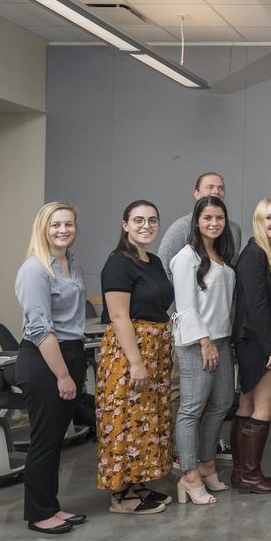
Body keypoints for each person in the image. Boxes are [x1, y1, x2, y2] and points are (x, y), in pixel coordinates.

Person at [15, 202, 89, 534]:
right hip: (44, 359)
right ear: (43, 228)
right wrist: (62, 375)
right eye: (55, 225)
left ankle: (52, 506)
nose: (63, 230)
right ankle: (38, 512)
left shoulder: (72, 262)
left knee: (57, 438)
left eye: (69, 224)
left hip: (72, 353)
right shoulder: (35, 269)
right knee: (44, 439)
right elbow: (39, 329)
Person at [97, 200, 176, 514]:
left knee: (146, 420)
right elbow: (118, 316)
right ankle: (121, 494)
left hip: (155, 350)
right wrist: (137, 362)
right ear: (125, 225)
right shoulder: (118, 262)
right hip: (128, 352)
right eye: (139, 220)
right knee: (125, 418)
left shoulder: (153, 261)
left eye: (152, 220)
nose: (147, 226)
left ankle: (137, 483)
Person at [169, 196, 236, 505]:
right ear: (196, 220)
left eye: (219, 218)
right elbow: (185, 307)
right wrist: (205, 341)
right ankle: (190, 473)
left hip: (222, 339)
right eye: (208, 217)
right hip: (198, 343)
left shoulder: (220, 253)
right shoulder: (187, 256)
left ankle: (208, 463)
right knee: (191, 408)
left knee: (222, 402)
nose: (214, 223)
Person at [229, 198, 271, 495]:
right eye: (269, 218)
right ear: (258, 221)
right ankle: (251, 476)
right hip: (258, 341)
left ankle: (241, 474)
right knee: (267, 406)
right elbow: (257, 306)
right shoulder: (255, 254)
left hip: (252, 339)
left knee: (248, 405)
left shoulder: (264, 253)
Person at [157, 172, 244, 275]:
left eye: (221, 188)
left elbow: (232, 269)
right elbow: (163, 270)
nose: (216, 191)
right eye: (210, 187)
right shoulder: (181, 227)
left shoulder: (233, 229)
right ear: (196, 194)